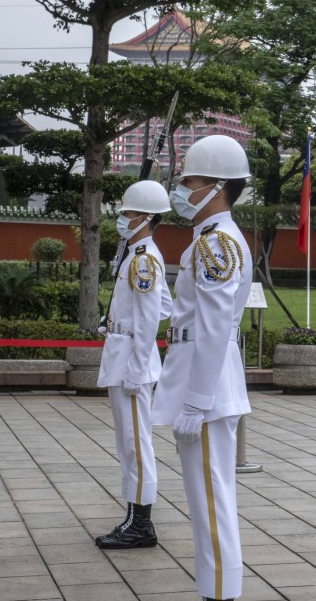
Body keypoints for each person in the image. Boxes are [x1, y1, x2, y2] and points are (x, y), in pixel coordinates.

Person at [151, 135, 253, 601]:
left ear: (214, 186)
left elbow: (213, 329)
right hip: (202, 379)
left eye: (188, 181)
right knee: (208, 499)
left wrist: (196, 400)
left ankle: (221, 594)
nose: (181, 189)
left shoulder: (215, 245)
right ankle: (216, 589)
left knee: (212, 503)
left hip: (206, 388)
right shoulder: (209, 240)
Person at [95, 180, 173, 550]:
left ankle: (140, 523)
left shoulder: (143, 258)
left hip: (131, 362)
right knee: (128, 442)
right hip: (124, 352)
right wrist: (115, 322)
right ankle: (136, 517)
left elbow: (148, 323)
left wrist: (137, 367)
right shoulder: (139, 254)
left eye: (127, 213)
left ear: (144, 217)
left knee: (135, 443)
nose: (122, 219)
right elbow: (164, 306)